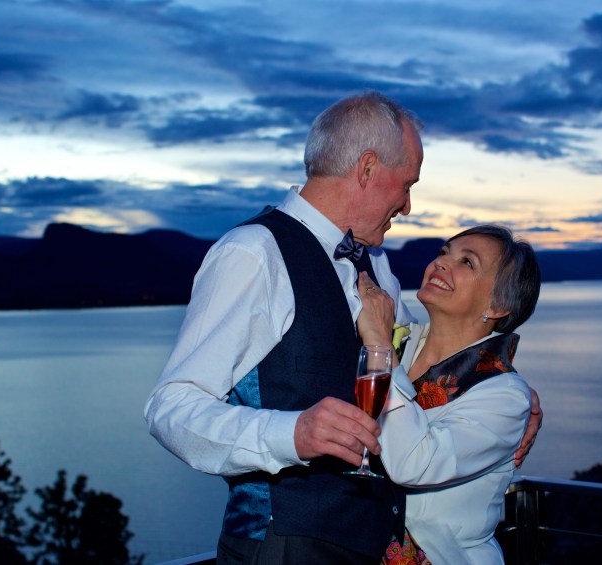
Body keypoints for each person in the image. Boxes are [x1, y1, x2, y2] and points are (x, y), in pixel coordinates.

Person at [144, 92, 541, 564]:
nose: (407, 205)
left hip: (370, 547)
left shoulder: (376, 266)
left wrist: (507, 392)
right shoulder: (254, 254)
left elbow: (428, 359)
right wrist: (292, 434)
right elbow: (171, 408)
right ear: (367, 169)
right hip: (284, 548)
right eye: (406, 185)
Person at [357, 224, 542, 564]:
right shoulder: (402, 344)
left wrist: (380, 345)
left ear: (498, 305)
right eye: (444, 253)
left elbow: (414, 464)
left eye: (467, 262)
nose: (441, 262)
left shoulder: (505, 396)